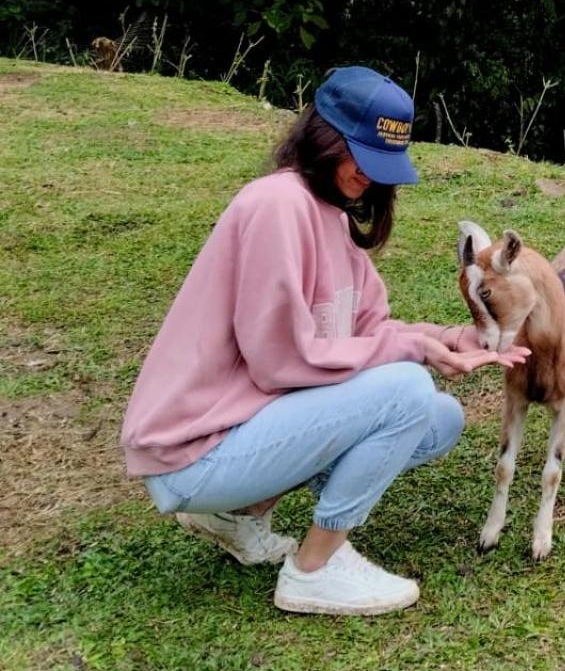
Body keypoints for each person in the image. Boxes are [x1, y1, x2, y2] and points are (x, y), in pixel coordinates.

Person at [121, 66, 528, 615]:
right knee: (406, 387)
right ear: (323, 136)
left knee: (438, 420)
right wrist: (413, 352)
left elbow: (364, 332)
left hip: (243, 429)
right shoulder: (277, 205)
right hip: (194, 451)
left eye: (382, 163)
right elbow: (281, 362)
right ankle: (315, 569)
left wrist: (446, 337)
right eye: (360, 154)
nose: (368, 175)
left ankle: (239, 514)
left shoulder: (328, 218)